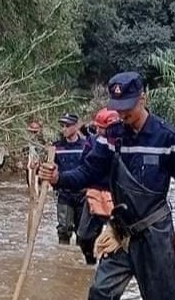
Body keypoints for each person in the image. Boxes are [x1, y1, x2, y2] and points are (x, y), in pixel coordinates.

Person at [38, 71, 175, 300]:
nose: (123, 113)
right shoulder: (112, 136)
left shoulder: (167, 136)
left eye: (128, 106)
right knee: (100, 293)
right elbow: (88, 172)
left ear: (143, 99)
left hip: (155, 234)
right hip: (120, 232)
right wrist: (58, 178)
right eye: (118, 107)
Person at [77, 108, 120, 265]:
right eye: (99, 127)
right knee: (83, 235)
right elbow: (85, 164)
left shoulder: (124, 144)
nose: (100, 131)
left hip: (115, 196)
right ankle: (90, 261)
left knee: (114, 238)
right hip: (94, 193)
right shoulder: (92, 142)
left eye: (103, 128)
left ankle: (107, 266)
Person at [54, 113, 87, 245]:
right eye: (62, 126)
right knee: (63, 229)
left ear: (76, 126)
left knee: (83, 232)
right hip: (64, 194)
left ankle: (80, 261)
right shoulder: (56, 147)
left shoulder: (87, 146)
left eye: (67, 125)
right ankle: (63, 258)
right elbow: (51, 167)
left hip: (83, 194)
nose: (64, 129)